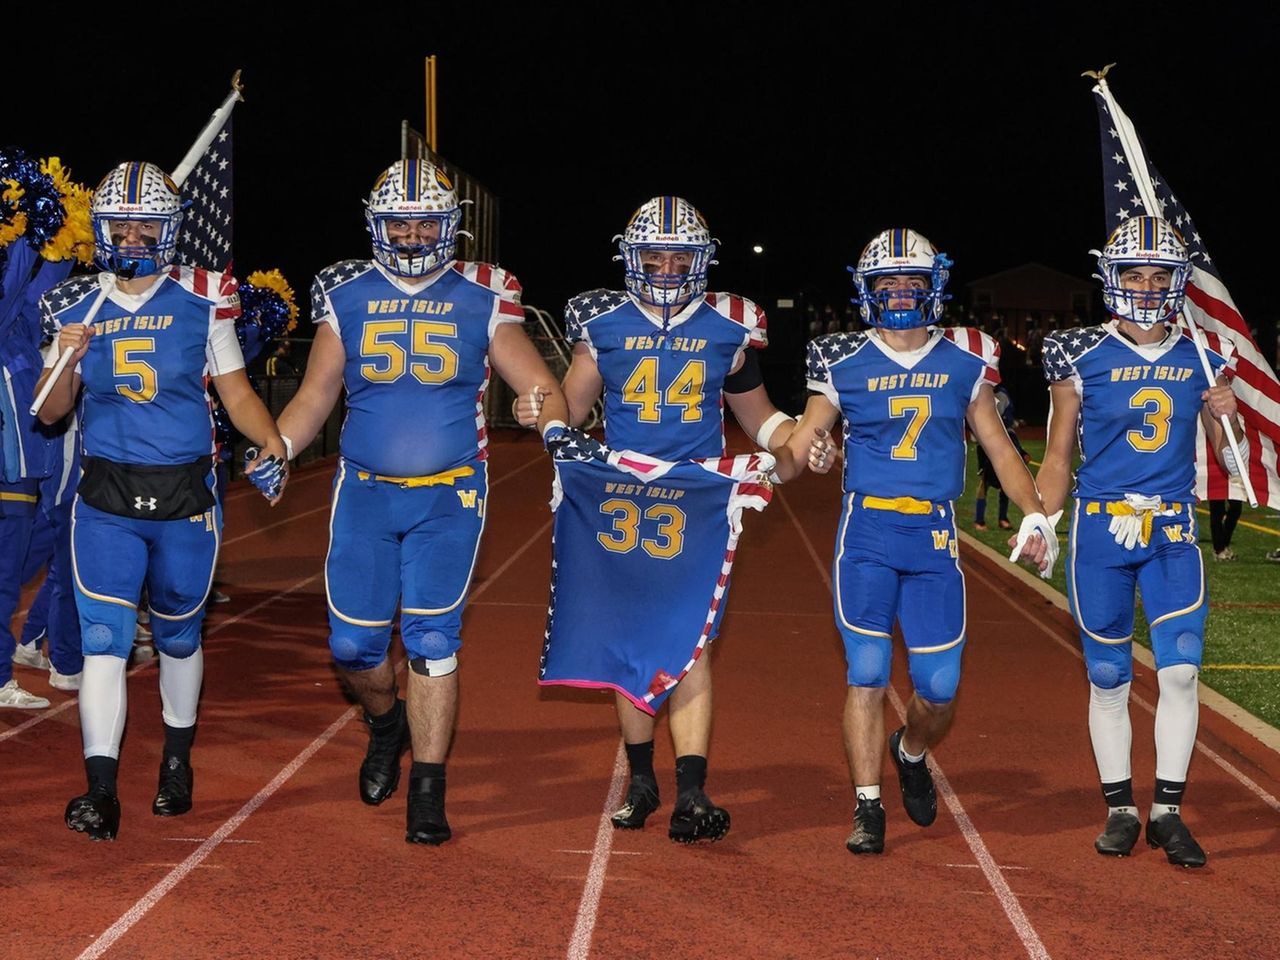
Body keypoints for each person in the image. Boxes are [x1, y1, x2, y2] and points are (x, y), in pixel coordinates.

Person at [275, 159, 568, 845]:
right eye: (398, 221)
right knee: (353, 647)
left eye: (423, 220)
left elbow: (541, 387)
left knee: (433, 640)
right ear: (377, 225)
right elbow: (317, 394)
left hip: (450, 494)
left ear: (449, 227)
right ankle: (385, 724)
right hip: (365, 494)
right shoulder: (344, 291)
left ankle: (430, 791)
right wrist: (279, 447)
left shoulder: (484, 293)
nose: (410, 234)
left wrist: (545, 419)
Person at [519, 196, 829, 844]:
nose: (664, 268)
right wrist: (541, 414)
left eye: (678, 257)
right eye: (653, 256)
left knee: (692, 644)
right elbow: (572, 408)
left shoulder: (728, 325)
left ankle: (692, 789)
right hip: (620, 497)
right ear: (631, 259)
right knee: (627, 639)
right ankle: (641, 781)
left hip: (695, 500)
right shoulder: (601, 320)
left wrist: (798, 444)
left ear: (701, 261)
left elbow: (762, 418)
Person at [770, 228, 1055, 855]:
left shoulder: (966, 357)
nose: (900, 295)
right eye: (887, 285)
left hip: (932, 536)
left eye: (912, 284)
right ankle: (867, 806)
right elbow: (797, 449)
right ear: (867, 291)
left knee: (939, 688)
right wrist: (800, 456)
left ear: (935, 289)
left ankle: (911, 749)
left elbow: (999, 447)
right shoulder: (840, 358)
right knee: (866, 672)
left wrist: (1035, 514)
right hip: (867, 530)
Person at [35, 161, 288, 841]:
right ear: (104, 228)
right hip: (106, 494)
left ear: (170, 229)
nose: (136, 234)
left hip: (185, 495)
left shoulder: (204, 298)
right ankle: (100, 789)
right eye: (123, 222)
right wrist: (64, 359)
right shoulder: (73, 306)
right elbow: (52, 413)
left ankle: (176, 761)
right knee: (104, 642)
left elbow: (235, 393)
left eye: (148, 222)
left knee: (178, 635)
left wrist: (273, 444)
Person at [1035, 215, 1240, 868]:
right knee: (1108, 676)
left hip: (1173, 527)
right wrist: (1042, 516)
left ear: (1177, 281)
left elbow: (1225, 460)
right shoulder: (1079, 352)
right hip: (1102, 524)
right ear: (1111, 278)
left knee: (1180, 669)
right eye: (1134, 274)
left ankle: (1167, 812)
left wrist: (1221, 413)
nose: (1147, 286)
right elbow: (1060, 452)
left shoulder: (1202, 354)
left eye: (1159, 275)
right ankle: (1121, 807)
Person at [973, 384, 1028, 531]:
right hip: (986, 442)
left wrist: (1015, 423)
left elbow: (1007, 420)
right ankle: (979, 519)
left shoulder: (1003, 393)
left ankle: (1003, 518)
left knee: (1006, 482)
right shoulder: (978, 390)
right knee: (984, 482)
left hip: (1006, 440)